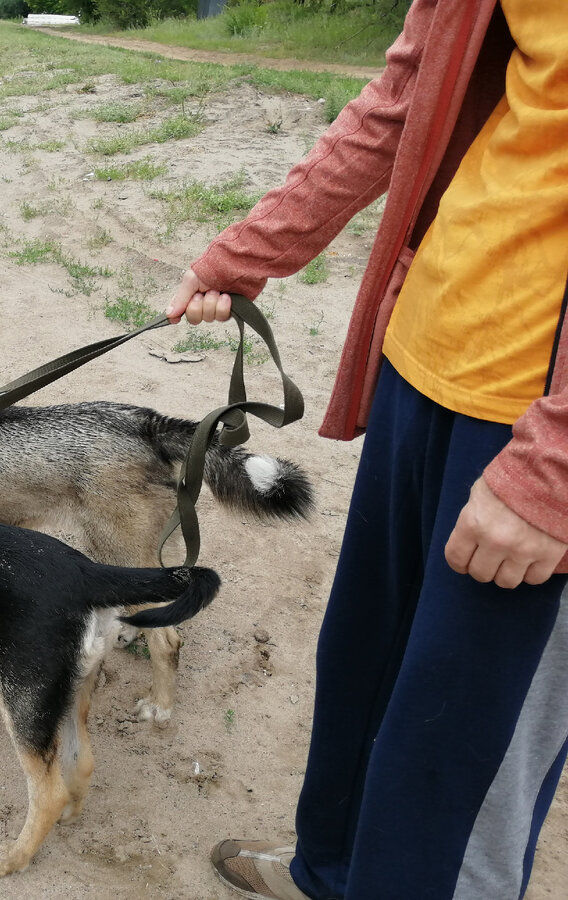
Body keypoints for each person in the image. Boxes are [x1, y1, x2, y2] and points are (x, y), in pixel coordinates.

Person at [165, 1, 568, 897]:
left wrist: (556, 471)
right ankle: (332, 871)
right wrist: (245, 252)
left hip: (535, 425)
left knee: (458, 747)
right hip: (427, 358)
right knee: (367, 662)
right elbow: (404, 95)